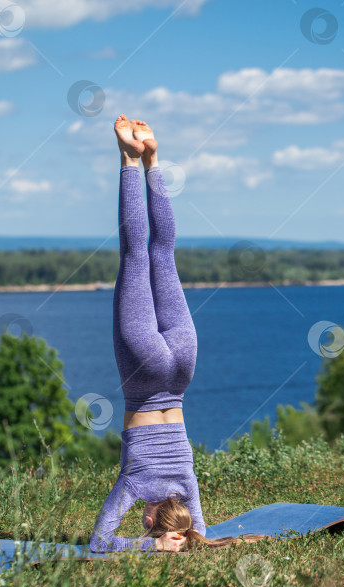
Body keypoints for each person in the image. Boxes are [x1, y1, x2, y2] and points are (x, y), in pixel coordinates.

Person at [89, 115, 267, 553]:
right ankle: (129, 158)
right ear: (152, 521)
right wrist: (151, 546)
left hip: (182, 366)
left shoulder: (187, 484)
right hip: (145, 371)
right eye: (147, 523)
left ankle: (153, 160)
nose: (142, 519)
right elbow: (100, 542)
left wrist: (185, 539)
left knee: (164, 254)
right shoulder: (134, 484)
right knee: (135, 256)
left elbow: (199, 535)